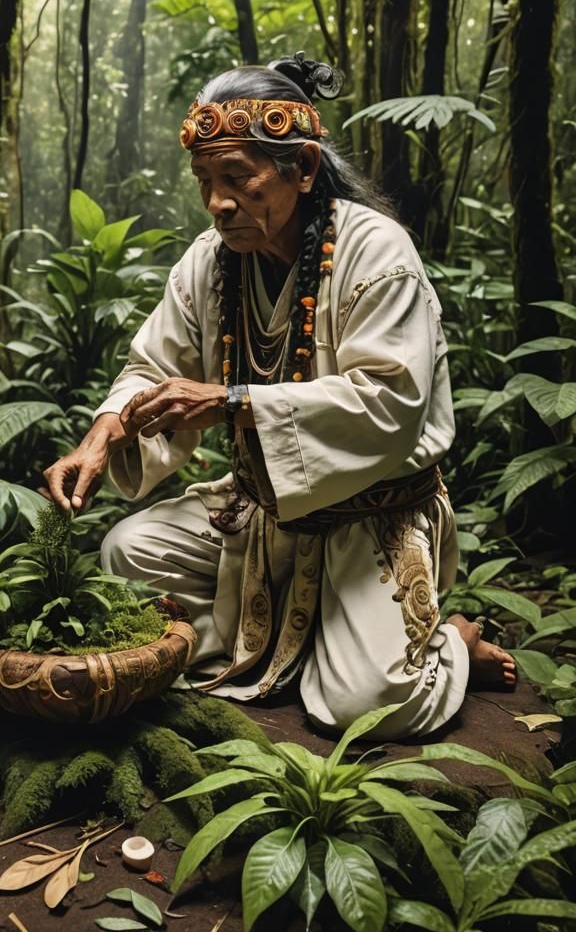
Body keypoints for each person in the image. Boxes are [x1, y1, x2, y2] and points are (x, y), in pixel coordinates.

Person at [41, 54, 515, 739]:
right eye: (205, 181)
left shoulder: (377, 252)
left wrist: (232, 402)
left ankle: (451, 641)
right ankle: (323, 641)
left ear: (304, 169)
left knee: (363, 708)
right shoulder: (211, 258)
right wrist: (105, 429)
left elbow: (389, 403)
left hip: (371, 521)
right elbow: (153, 361)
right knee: (128, 551)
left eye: (238, 178)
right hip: (262, 512)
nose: (218, 202)